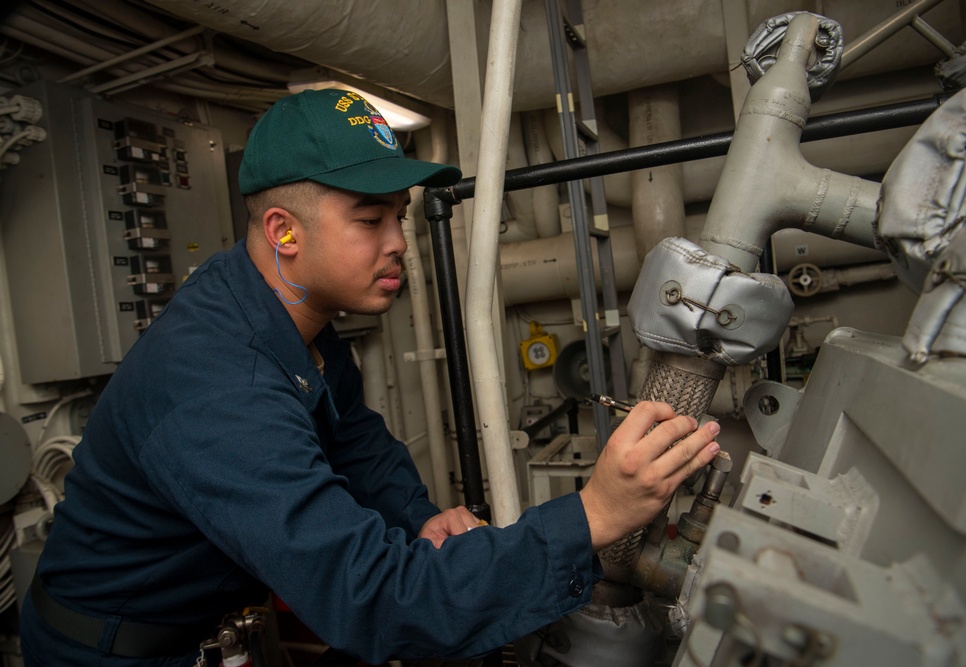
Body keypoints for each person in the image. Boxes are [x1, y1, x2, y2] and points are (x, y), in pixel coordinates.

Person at [19, 88, 721, 666]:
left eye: (399, 216)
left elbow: (355, 439)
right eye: (368, 219)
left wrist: (418, 514)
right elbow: (370, 599)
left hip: (210, 629)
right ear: (283, 231)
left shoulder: (299, 316)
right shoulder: (215, 382)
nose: (396, 243)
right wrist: (592, 515)